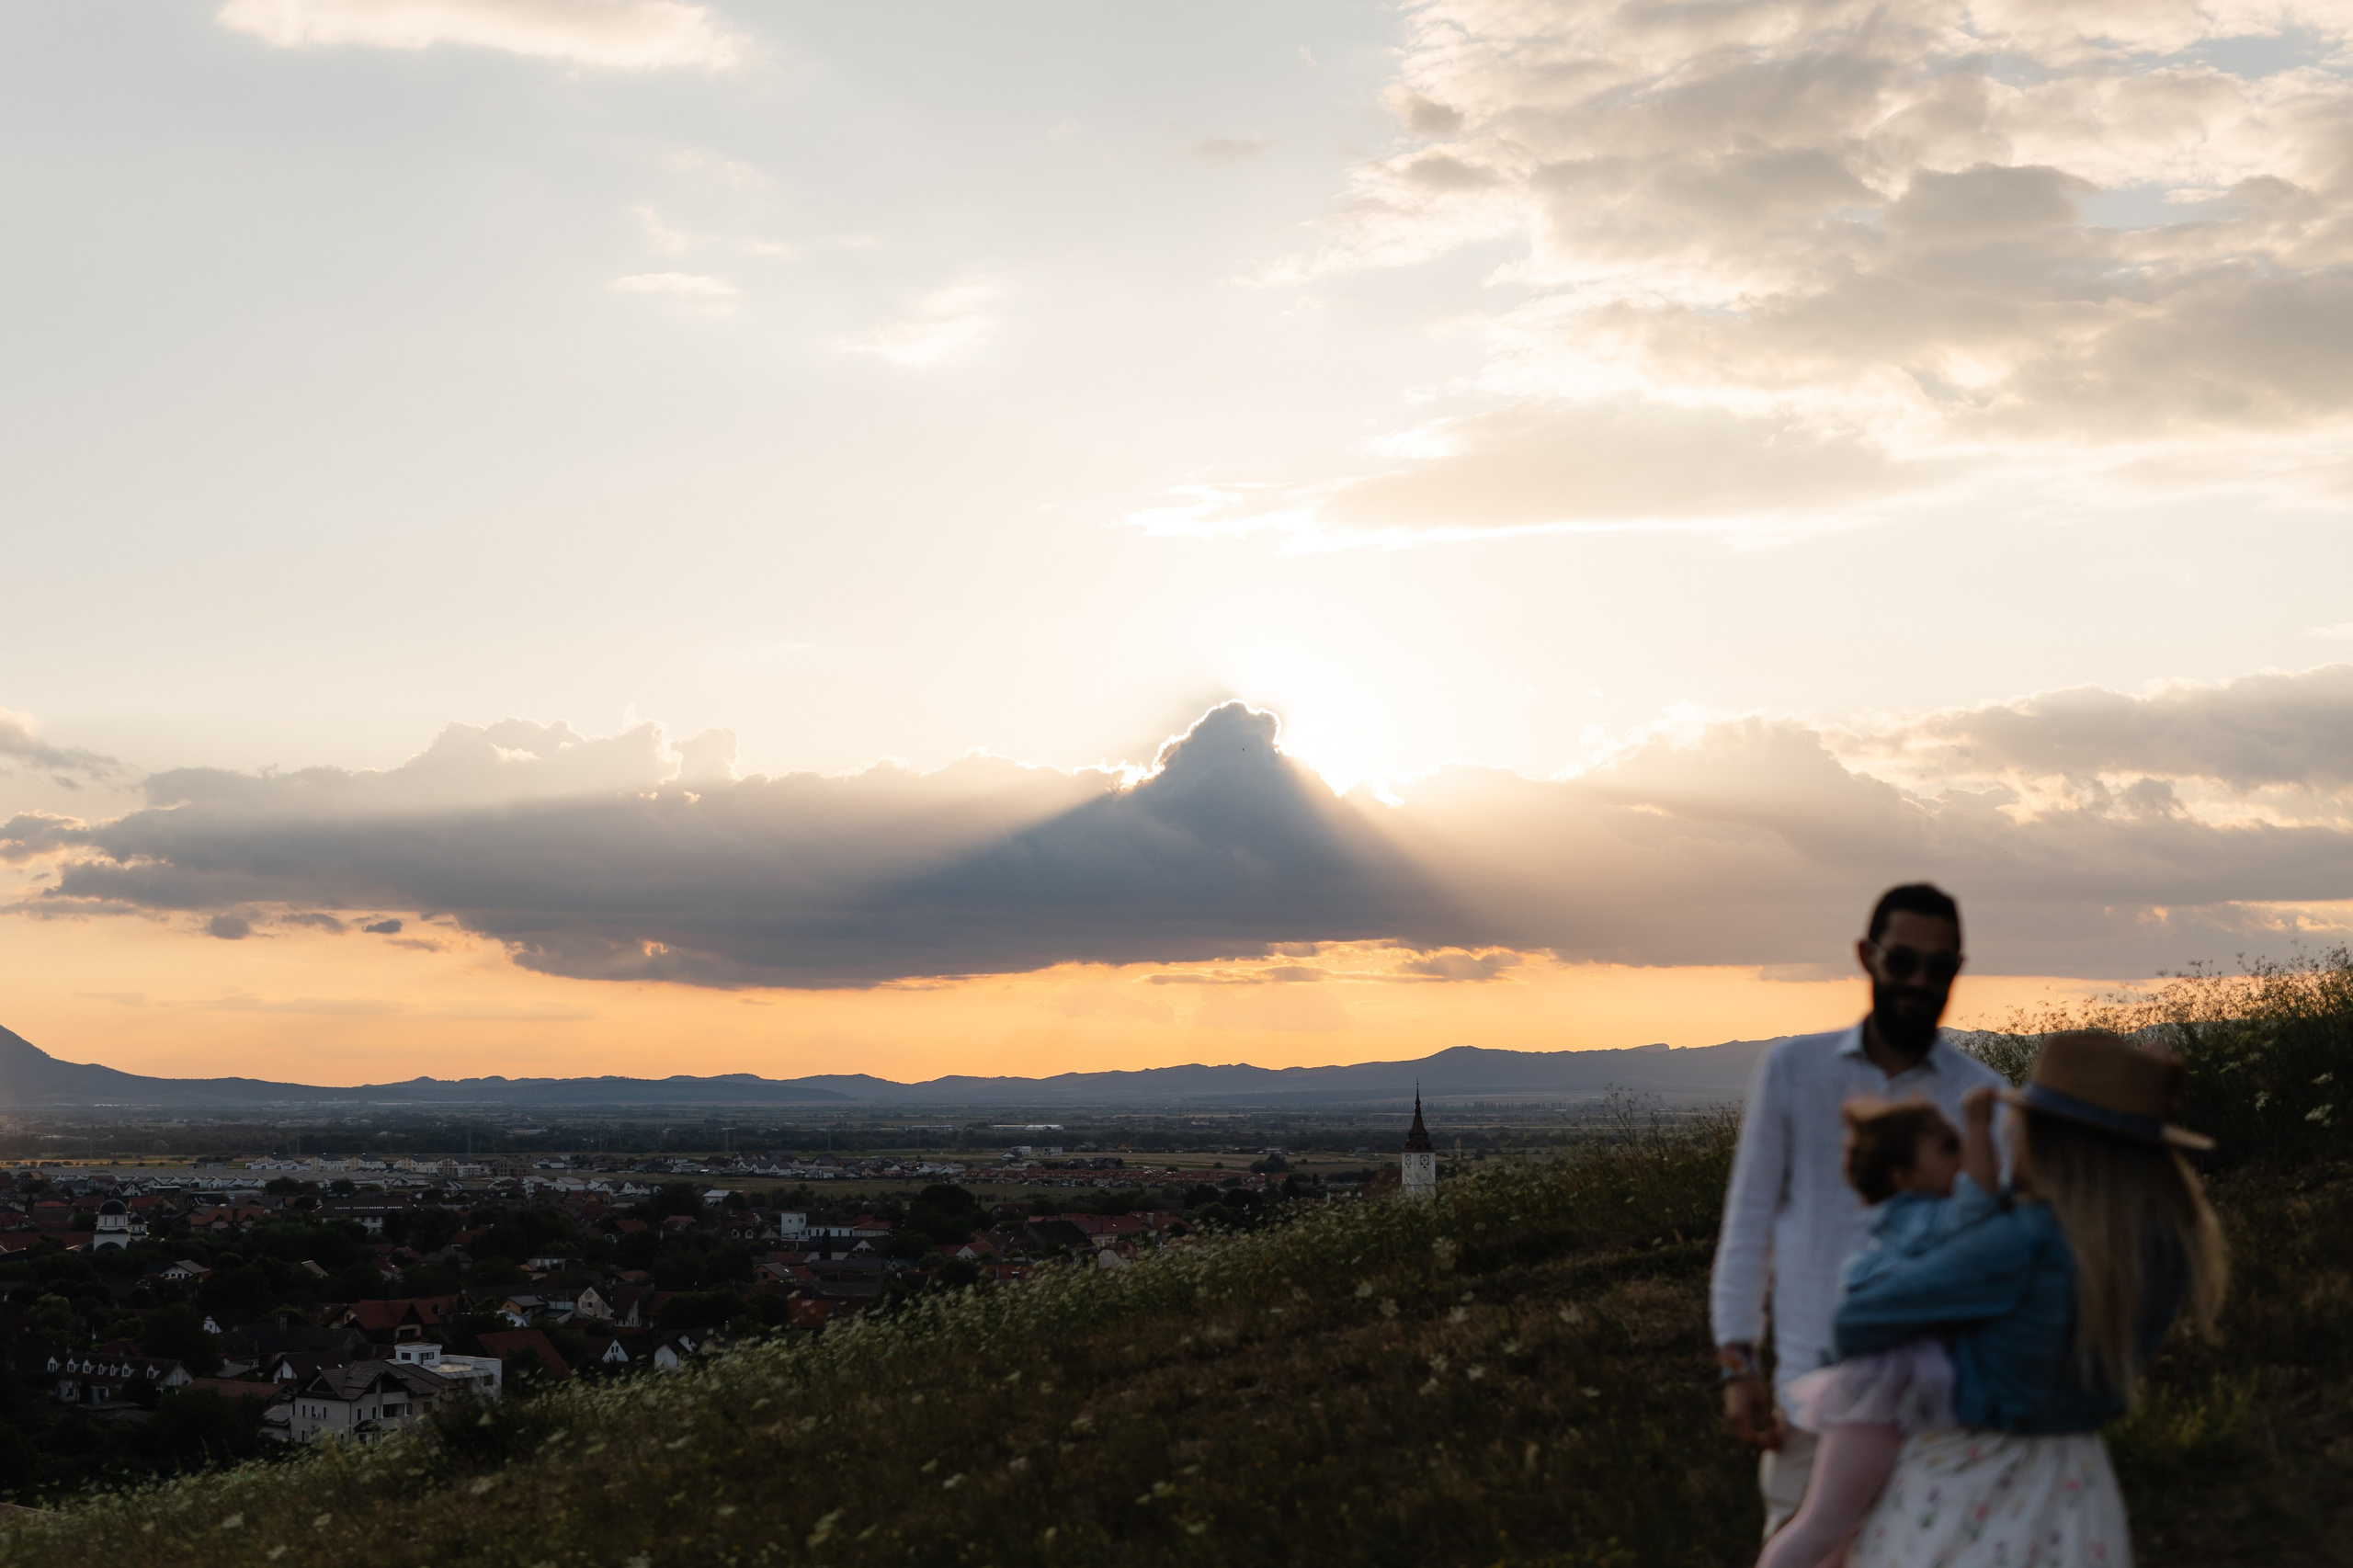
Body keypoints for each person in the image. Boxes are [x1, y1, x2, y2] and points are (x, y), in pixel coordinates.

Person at [1836, 1029, 2229, 1567]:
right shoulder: (2168, 1243)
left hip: (1971, 1482)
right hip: (2079, 1486)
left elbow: (1856, 1319)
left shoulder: (2024, 1241)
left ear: (2047, 1139)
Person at [1711, 883, 2007, 1537]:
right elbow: (1749, 1223)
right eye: (1903, 961)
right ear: (1867, 957)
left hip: (1939, 1415)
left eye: (1938, 966)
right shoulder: (1793, 1069)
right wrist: (1738, 1363)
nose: (1920, 980)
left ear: (1958, 969)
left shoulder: (1984, 1099)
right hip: (1809, 1400)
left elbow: (1997, 1254)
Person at [1754, 1090, 2002, 1568]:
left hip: (1892, 1388)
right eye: (1948, 1146)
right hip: (1877, 1394)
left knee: (1855, 1526)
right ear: (1904, 1177)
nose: (1963, 1156)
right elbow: (1979, 1204)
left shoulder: (1919, 1214)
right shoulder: (1914, 1216)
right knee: (1824, 1522)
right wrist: (1976, 1123)